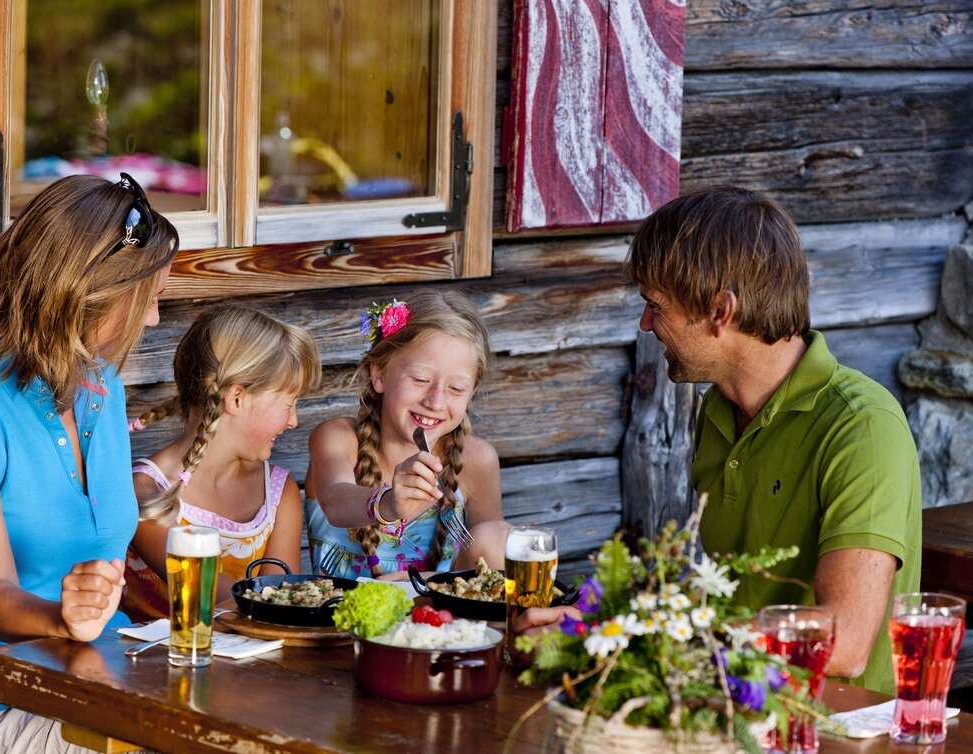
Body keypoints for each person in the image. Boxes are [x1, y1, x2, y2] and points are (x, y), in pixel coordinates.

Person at [520, 185, 921, 695]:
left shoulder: (863, 426)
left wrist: (647, 635)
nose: (646, 323)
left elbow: (846, 642)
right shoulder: (716, 412)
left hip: (832, 723)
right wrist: (601, 624)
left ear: (720, 311)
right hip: (721, 703)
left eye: (655, 305)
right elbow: (729, 600)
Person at [0, 173, 178, 751]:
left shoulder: (103, 388)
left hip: (109, 679)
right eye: (147, 300)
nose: (152, 320)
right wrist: (62, 618)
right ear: (87, 292)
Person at [121, 304, 321, 620]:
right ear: (236, 398)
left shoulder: (277, 493)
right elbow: (217, 595)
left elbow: (281, 611)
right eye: (289, 403)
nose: (293, 421)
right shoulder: (145, 493)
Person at [305, 289, 510, 578]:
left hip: (436, 606)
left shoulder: (477, 460)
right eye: (420, 379)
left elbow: (492, 564)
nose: (435, 402)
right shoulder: (339, 438)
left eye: (456, 388)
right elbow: (335, 502)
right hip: (340, 607)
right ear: (379, 375)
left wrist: (424, 584)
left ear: (471, 393)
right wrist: (387, 503)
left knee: (498, 535)